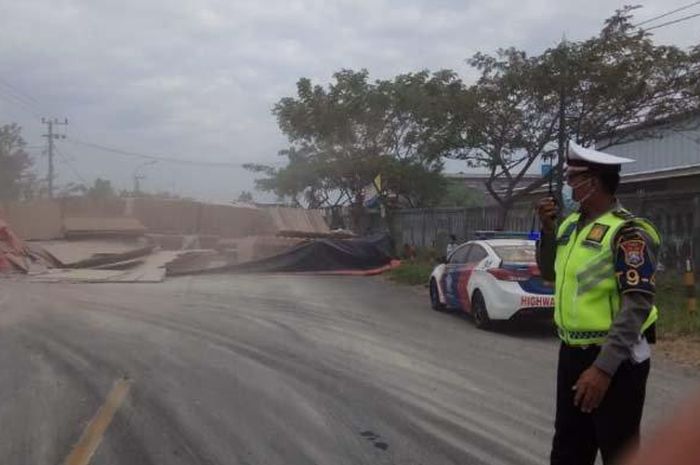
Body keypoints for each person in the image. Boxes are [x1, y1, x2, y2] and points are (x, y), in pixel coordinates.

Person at [536, 141, 661, 465]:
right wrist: (547, 230)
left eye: (573, 178)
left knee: (617, 449)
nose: (567, 186)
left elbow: (637, 305)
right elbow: (550, 271)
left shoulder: (628, 233)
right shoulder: (569, 227)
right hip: (572, 353)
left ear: (593, 182)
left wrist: (603, 369)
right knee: (568, 449)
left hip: (616, 359)